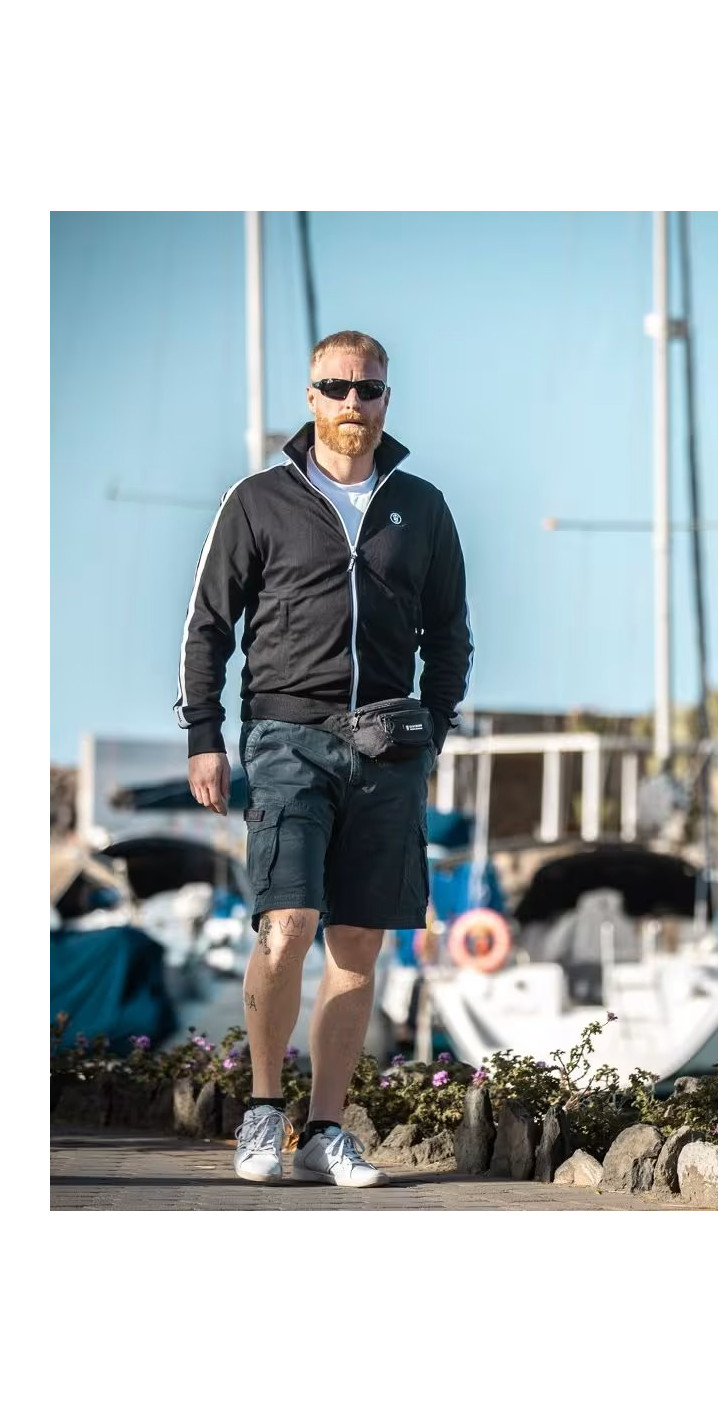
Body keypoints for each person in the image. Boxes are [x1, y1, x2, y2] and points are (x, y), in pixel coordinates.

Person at [175, 329, 474, 1186]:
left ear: (386, 400)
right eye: (337, 388)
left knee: (358, 942)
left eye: (367, 389)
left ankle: (325, 1129)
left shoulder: (422, 507)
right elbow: (208, 626)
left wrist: (433, 731)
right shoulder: (258, 501)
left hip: (388, 744)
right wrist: (204, 736)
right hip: (285, 736)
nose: (353, 402)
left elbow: (450, 634)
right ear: (310, 397)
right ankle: (263, 1111)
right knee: (288, 924)